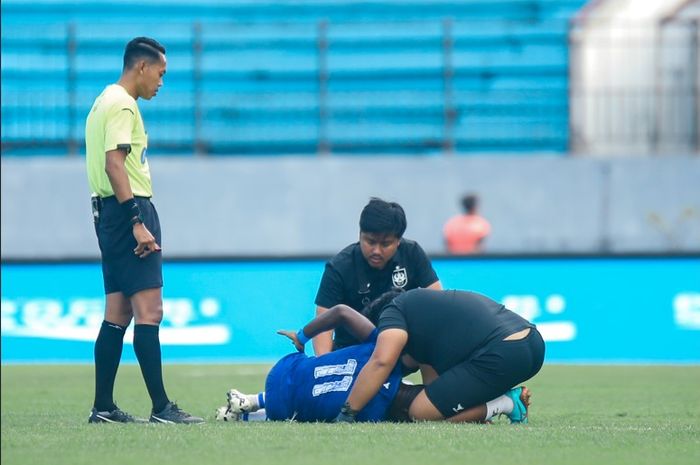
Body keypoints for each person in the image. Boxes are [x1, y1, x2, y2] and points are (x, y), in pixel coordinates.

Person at [85, 37, 203, 424]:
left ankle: (103, 407)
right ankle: (161, 408)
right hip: (127, 211)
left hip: (107, 215)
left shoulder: (103, 100)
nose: (161, 82)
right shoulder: (123, 104)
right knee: (150, 311)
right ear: (142, 67)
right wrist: (137, 219)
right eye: (161, 73)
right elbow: (114, 164)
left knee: (117, 313)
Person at [217, 303, 530, 424]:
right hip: (376, 388)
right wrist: (302, 334)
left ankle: (503, 401)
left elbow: (342, 314)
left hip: (385, 387)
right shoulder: (382, 341)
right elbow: (341, 314)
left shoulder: (398, 347)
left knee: (428, 413)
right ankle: (502, 402)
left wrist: (303, 335)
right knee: (426, 411)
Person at [331, 288, 544, 423]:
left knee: (420, 412)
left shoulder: (392, 311)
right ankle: (500, 401)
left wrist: (347, 413)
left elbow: (381, 361)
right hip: (533, 344)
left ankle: (507, 402)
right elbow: (436, 393)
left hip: (504, 352)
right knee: (433, 407)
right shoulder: (424, 316)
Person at [313, 197, 442, 356]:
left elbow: (437, 302)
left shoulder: (412, 253)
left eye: (385, 244)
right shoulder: (339, 267)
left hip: (400, 346)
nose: (376, 251)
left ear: (398, 241)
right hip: (352, 350)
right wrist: (322, 366)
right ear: (360, 234)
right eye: (370, 241)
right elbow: (323, 324)